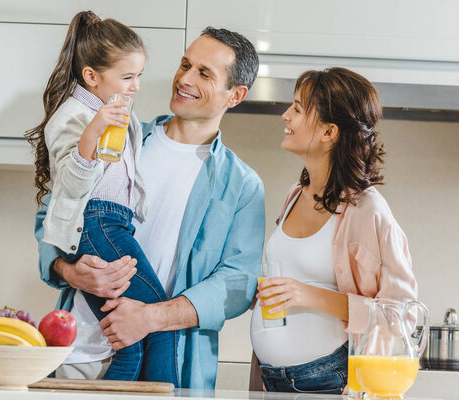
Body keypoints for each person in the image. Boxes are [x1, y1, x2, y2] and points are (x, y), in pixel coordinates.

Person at [34, 27, 265, 389]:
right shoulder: (122, 135)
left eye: (204, 73)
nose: (185, 79)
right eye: (185, 64)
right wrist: (67, 269)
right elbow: (53, 212)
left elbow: (237, 284)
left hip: (174, 360)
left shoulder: (242, 184)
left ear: (235, 95)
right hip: (82, 354)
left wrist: (150, 317)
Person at [25, 11, 181, 385]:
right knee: (156, 317)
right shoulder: (74, 116)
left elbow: (128, 177)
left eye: (138, 76)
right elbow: (71, 185)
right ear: (92, 77)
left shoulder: (121, 115)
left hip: (114, 222)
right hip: (96, 223)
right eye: (127, 77)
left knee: (129, 333)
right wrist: (93, 132)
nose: (136, 86)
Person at [248, 67, 418, 394]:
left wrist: (311, 295)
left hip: (329, 378)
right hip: (272, 379)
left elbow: (402, 315)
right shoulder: (295, 194)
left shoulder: (366, 208)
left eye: (297, 108)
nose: (285, 115)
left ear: (329, 131)